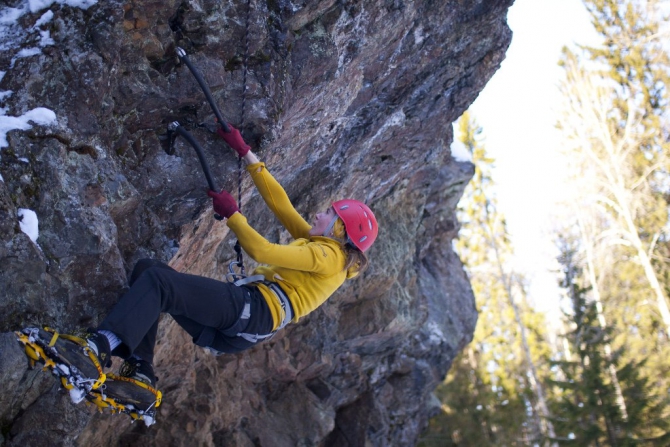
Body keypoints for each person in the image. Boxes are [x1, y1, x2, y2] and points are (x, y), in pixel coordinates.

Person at [30, 124, 378, 395]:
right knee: (148, 271)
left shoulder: (327, 254)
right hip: (245, 326)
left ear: (339, 232)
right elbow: (281, 205)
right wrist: (246, 154)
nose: (320, 213)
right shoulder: (327, 252)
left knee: (159, 283)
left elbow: (263, 252)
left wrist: (233, 216)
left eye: (330, 214)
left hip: (252, 309)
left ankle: (95, 350)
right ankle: (140, 375)